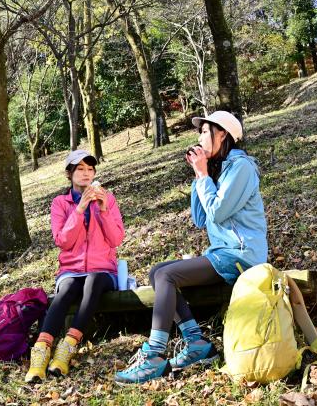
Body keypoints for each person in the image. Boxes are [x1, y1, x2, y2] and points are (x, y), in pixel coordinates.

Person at [114, 110, 270, 384]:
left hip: (242, 256)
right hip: (223, 254)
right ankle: (196, 343)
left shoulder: (242, 168)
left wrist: (202, 176)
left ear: (221, 134)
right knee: (157, 271)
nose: (199, 137)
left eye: (204, 131)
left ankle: (154, 356)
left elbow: (218, 212)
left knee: (166, 276)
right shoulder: (218, 171)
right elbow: (200, 218)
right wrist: (202, 174)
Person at [25, 149, 125, 383]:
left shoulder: (107, 199)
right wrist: (80, 209)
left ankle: (67, 348)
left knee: (93, 280)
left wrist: (102, 209)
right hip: (71, 270)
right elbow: (63, 241)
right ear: (69, 174)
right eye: (80, 169)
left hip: (103, 270)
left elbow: (116, 239)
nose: (86, 174)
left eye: (90, 169)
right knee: (66, 289)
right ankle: (40, 353)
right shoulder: (61, 203)